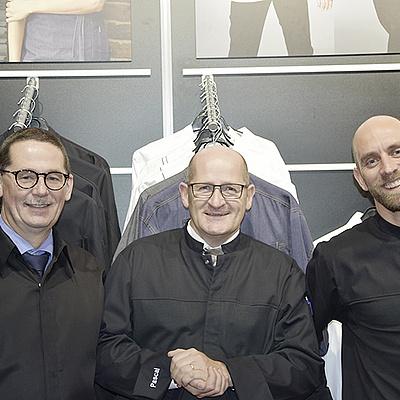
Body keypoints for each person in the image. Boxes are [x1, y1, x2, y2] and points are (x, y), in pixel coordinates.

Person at [96, 145, 331, 399]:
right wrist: (168, 371)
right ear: (185, 195)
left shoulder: (283, 273)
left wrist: (230, 374)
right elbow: (105, 348)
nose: (216, 201)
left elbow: (303, 363)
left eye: (230, 189)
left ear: (249, 196)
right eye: (204, 188)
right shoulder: (135, 260)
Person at [0, 127, 105, 400]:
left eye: (53, 178)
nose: (41, 190)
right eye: (26, 177)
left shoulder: (91, 273)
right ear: (0, 183)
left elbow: (110, 359)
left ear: (68, 187)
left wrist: (175, 371)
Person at [306, 115, 400, 399]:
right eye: (372, 160)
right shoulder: (335, 258)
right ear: (360, 179)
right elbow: (297, 350)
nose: (388, 168)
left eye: (397, 151)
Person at [6, 0, 109, 62]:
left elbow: (94, 3)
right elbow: (16, 9)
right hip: (33, 57)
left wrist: (30, 5)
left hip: (80, 56)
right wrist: (15, 66)